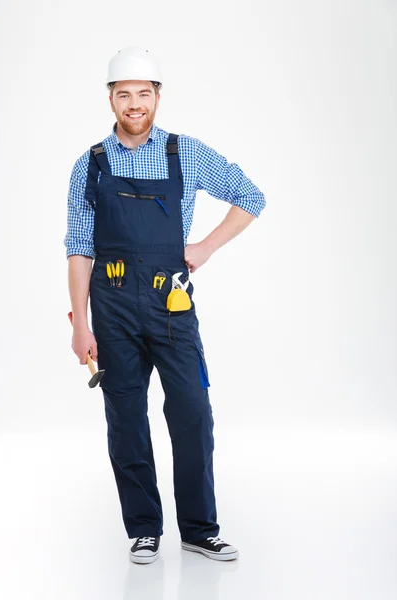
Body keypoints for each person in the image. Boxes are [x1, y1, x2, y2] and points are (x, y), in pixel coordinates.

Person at [64, 46, 266, 564]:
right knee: (126, 419)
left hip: (171, 308)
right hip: (110, 313)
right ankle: (144, 528)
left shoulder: (184, 153)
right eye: (124, 94)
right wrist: (79, 324)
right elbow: (79, 247)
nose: (135, 103)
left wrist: (204, 247)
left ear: (157, 97)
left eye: (144, 94)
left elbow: (251, 197)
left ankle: (199, 529)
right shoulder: (89, 165)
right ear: (111, 99)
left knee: (193, 413)